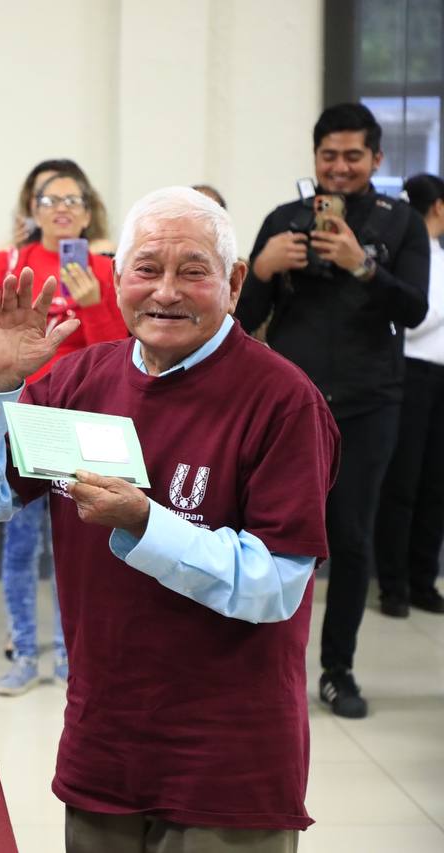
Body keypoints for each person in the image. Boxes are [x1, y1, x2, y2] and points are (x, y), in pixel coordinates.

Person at [0, 186, 339, 851]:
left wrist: (148, 524)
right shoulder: (82, 382)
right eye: (147, 268)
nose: (166, 291)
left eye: (193, 270)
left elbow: (275, 585)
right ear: (116, 278)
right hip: (105, 742)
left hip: (228, 759)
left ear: (234, 282)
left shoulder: (284, 400)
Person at [235, 102, 430, 719]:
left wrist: (362, 265)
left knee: (349, 539)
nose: (339, 168)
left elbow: (415, 311)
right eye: (328, 156)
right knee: (269, 534)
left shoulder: (401, 224)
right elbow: (240, 322)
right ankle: (260, 663)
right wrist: (263, 269)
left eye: (352, 156)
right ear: (314, 157)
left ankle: (337, 670)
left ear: (376, 159)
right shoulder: (283, 219)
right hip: (290, 406)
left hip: (370, 403)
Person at [0, 166, 127, 694]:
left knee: (80, 546)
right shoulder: (14, 265)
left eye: (75, 199)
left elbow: (119, 354)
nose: (63, 208)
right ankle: (25, 653)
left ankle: (74, 661)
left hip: (84, 426)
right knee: (20, 544)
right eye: (51, 200)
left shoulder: (105, 269)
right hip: (22, 420)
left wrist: (94, 304)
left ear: (90, 212)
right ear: (34, 210)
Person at [373, 173, 444, 617]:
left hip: (441, 377)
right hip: (411, 373)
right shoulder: (410, 251)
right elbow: (416, 318)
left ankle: (423, 580)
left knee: (435, 484)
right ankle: (393, 585)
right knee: (403, 483)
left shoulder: (438, 254)